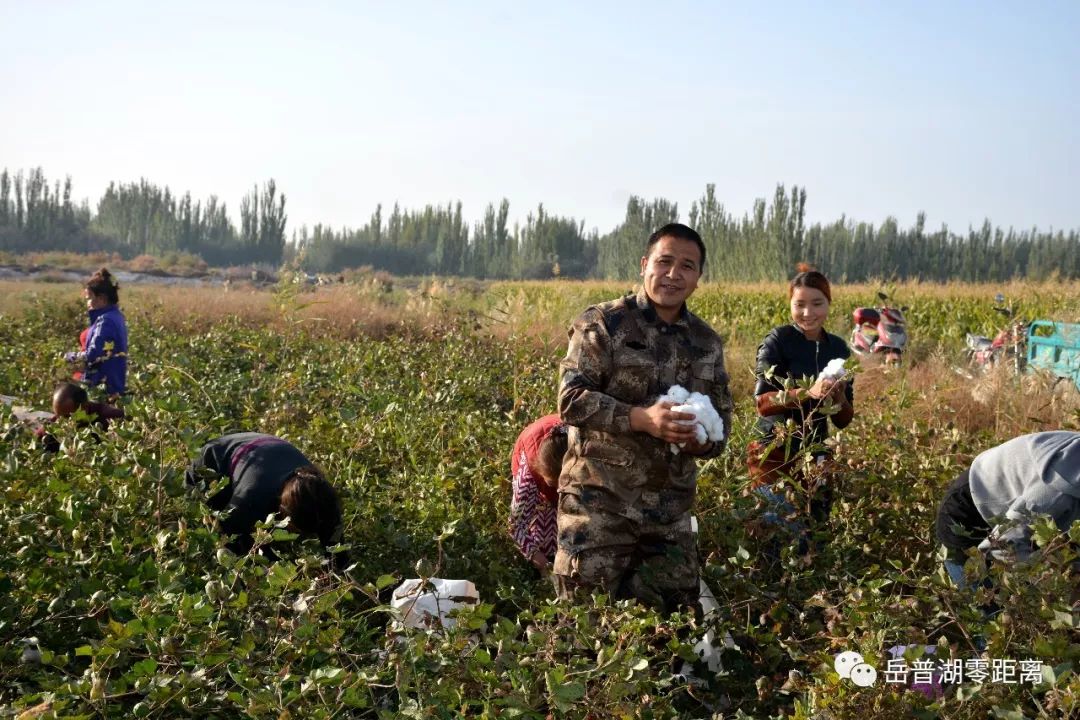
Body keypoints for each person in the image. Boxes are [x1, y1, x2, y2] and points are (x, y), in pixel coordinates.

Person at [555, 222, 733, 613]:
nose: (673, 274)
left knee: (670, 634)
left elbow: (722, 428)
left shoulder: (706, 343)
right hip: (599, 506)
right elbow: (571, 400)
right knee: (584, 627)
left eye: (687, 266)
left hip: (668, 518)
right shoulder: (604, 324)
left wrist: (700, 439)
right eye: (664, 261)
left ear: (698, 277)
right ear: (644, 264)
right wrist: (641, 418)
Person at [747, 264, 854, 526]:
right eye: (800, 304)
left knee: (814, 532)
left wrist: (838, 398)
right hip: (773, 452)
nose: (808, 313)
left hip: (816, 454)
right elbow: (762, 403)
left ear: (828, 303)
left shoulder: (838, 348)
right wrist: (809, 392)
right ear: (790, 305)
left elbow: (843, 420)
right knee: (774, 533)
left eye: (817, 303)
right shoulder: (777, 341)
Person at [935, 431, 1080, 585]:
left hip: (1015, 519)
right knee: (995, 606)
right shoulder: (1055, 492)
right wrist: (1051, 585)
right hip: (966, 515)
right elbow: (1003, 545)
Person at [185, 433, 344, 561]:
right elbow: (227, 542)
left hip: (263, 449)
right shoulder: (251, 498)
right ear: (282, 512)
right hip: (211, 462)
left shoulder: (322, 494)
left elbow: (336, 545)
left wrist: (336, 566)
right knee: (221, 536)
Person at [508, 414, 567, 574]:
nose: (559, 489)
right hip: (530, 444)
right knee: (544, 527)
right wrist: (540, 560)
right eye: (553, 484)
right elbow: (516, 525)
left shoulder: (585, 456)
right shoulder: (528, 475)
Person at [65, 268, 128, 398]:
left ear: (102, 299)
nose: (87, 303)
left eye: (89, 298)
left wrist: (69, 357)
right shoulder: (115, 316)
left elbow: (92, 355)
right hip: (110, 385)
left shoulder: (106, 320)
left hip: (101, 388)